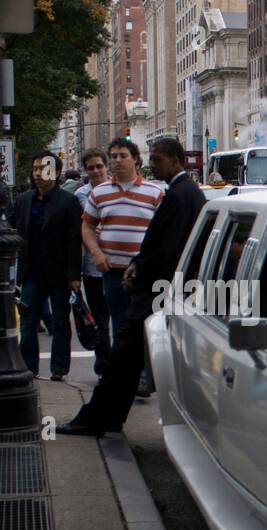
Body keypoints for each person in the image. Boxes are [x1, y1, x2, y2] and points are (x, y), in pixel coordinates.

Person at [58, 138, 206, 437]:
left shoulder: (177, 195)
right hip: (150, 287)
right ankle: (106, 417)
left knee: (123, 358)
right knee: (124, 359)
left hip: (153, 292)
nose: (154, 164)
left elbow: (165, 249)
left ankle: (98, 418)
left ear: (175, 161)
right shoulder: (182, 192)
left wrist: (137, 271)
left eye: (158, 159)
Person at [80, 137, 165, 397]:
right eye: (113, 156)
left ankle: (141, 377)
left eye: (122, 155)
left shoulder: (154, 193)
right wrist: (96, 253)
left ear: (135, 159)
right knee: (120, 325)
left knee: (143, 325)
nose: (117, 160)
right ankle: (122, 378)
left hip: (143, 273)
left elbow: (162, 232)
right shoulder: (99, 193)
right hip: (113, 272)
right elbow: (87, 226)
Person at [5, 151, 82, 381]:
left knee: (60, 321)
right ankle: (29, 367)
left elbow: (74, 239)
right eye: (36, 168)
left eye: (44, 168)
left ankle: (59, 368)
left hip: (60, 273)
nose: (39, 173)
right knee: (28, 323)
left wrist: (74, 275)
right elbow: (10, 229)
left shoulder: (68, 202)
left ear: (57, 172)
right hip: (31, 273)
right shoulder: (23, 200)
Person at [74, 148, 112, 378]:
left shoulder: (118, 189)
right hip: (92, 268)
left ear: (106, 166)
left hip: (118, 266)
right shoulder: (81, 195)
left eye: (99, 166)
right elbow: (86, 228)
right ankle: (104, 368)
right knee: (101, 321)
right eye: (91, 167)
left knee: (122, 321)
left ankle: (124, 369)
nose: (96, 171)